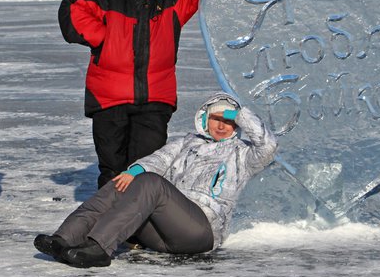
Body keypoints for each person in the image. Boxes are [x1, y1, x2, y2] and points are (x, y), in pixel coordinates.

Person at [58, 0, 226, 188]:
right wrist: (103, 37)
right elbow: (70, 9)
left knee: (146, 168)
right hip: (109, 99)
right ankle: (109, 224)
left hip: (154, 100)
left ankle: (142, 225)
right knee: (113, 170)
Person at [34, 92, 278, 268]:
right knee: (126, 181)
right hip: (164, 233)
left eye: (229, 122)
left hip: (200, 232)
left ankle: (99, 249)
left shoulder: (244, 154)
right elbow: (159, 159)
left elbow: (268, 145)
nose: (222, 126)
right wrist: (133, 171)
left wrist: (240, 114)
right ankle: (64, 239)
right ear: (205, 119)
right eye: (217, 119)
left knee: (151, 183)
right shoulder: (189, 142)